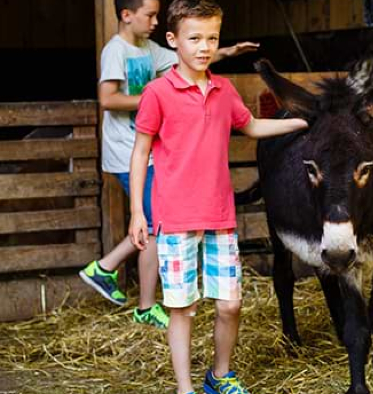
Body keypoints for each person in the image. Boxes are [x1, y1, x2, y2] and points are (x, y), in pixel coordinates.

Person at [128, 1, 308, 393]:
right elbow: (141, 151)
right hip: (174, 218)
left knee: (230, 305)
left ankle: (220, 375)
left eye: (212, 38)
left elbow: (252, 126)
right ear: (173, 40)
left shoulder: (224, 90)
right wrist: (136, 215)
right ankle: (184, 387)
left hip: (220, 216)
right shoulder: (158, 93)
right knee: (183, 307)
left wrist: (303, 121)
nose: (205, 47)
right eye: (195, 38)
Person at [79, 0, 259, 329]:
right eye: (149, 15)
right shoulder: (116, 51)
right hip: (126, 148)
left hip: (151, 151)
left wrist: (230, 51)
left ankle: (119, 279)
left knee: (156, 221)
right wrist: (162, 100)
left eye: (157, 14)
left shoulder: (149, 48)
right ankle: (118, 278)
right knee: (157, 222)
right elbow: (107, 99)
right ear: (126, 15)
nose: (155, 21)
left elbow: (192, 55)